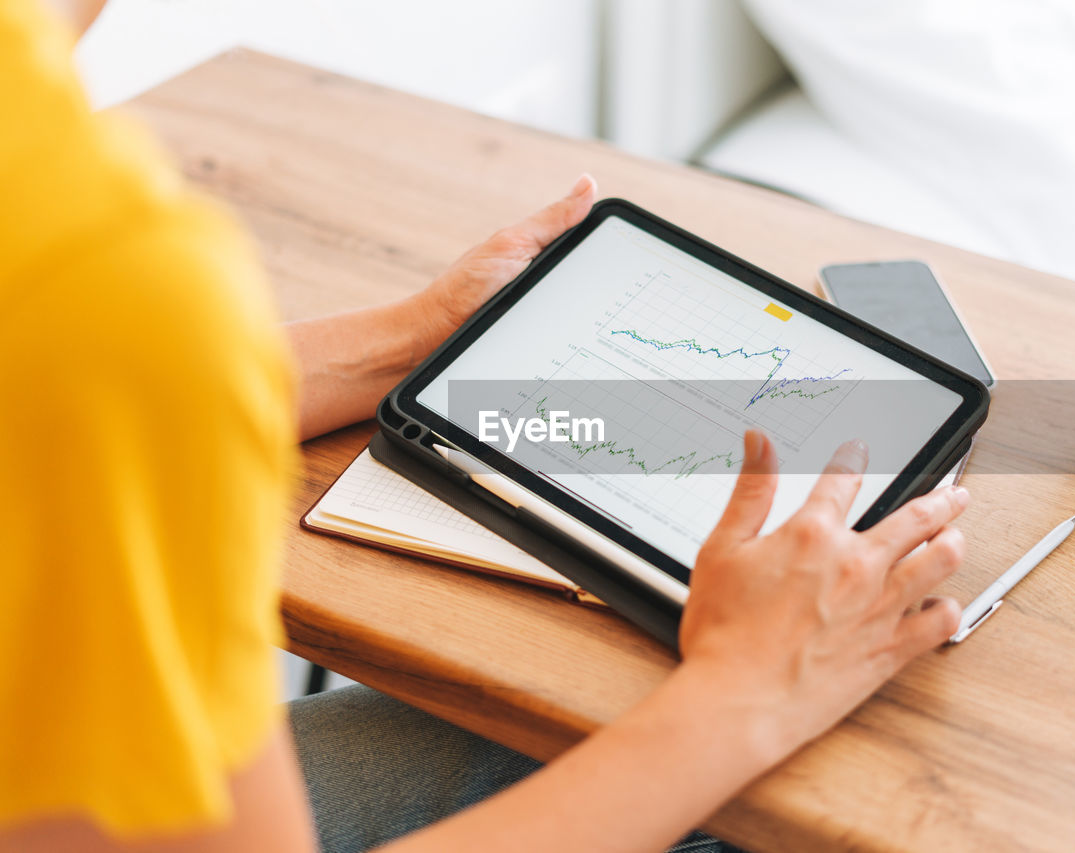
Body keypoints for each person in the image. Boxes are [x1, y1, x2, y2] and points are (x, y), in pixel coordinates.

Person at [0, 1, 969, 850]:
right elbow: (80, 358)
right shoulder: (92, 258)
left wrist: (404, 341)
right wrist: (744, 693)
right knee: (755, 790)